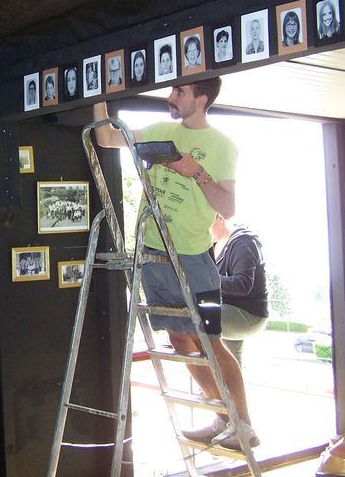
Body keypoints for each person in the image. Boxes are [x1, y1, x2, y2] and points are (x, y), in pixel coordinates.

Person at [92, 78, 259, 450]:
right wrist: (98, 92)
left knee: (209, 341)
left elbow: (228, 207)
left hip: (194, 260)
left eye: (179, 92)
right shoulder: (159, 130)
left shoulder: (222, 145)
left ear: (201, 99)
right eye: (172, 91)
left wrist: (195, 171)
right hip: (153, 255)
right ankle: (222, 416)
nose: (170, 97)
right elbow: (106, 138)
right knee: (179, 338)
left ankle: (244, 425)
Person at [210, 214, 268, 367]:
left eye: (207, 223)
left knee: (197, 320)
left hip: (248, 313)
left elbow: (243, 285)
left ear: (220, 218)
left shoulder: (243, 242)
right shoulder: (215, 244)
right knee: (232, 361)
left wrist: (208, 279)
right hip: (228, 309)